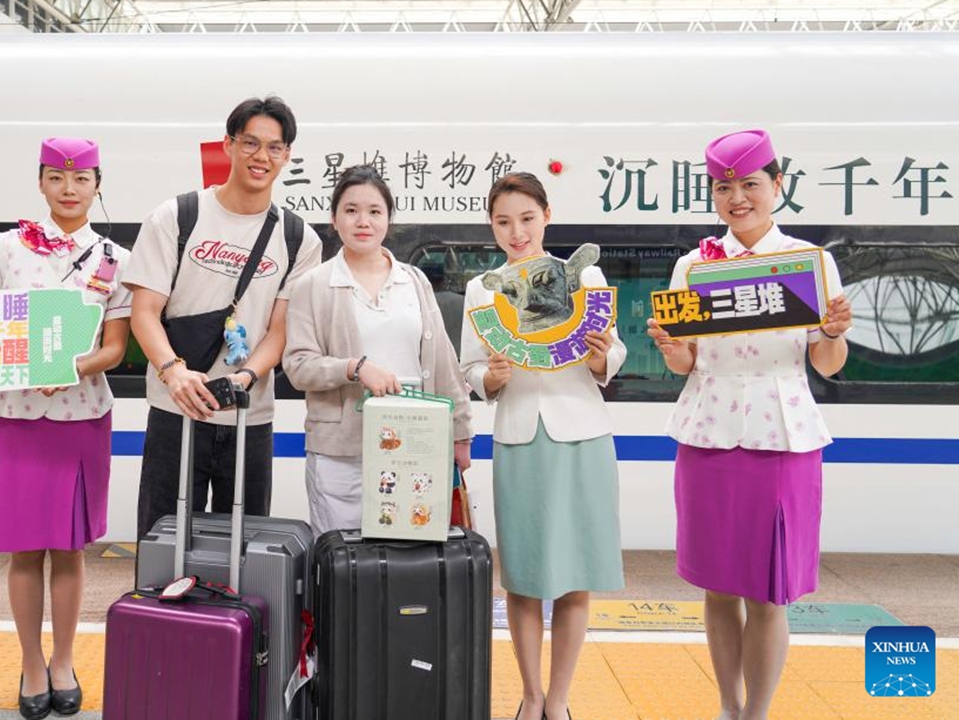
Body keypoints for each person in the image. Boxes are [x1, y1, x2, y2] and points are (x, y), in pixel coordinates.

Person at [646, 129, 852, 720]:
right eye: (724, 187)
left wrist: (834, 331)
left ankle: (757, 713)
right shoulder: (694, 265)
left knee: (769, 590)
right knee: (716, 587)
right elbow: (688, 364)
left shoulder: (811, 264)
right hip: (708, 433)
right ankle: (728, 706)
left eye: (750, 185)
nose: (738, 198)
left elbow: (826, 363)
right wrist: (668, 346)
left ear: (777, 186)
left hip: (781, 437)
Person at [0, 137, 132, 720]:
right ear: (40, 182)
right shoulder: (5, 248)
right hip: (14, 414)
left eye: (81, 179)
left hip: (80, 414)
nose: (69, 189)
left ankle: (63, 661)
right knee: (22, 550)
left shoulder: (114, 256)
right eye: (57, 179)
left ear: (96, 185)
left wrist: (68, 368)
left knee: (68, 548)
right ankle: (31, 664)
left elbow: (115, 349)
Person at [460, 172, 626, 720]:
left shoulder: (586, 275)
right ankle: (530, 699)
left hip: (583, 433)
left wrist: (602, 354)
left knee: (576, 577)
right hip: (519, 436)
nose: (517, 232)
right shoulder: (483, 289)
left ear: (547, 216)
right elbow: (469, 370)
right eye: (504, 221)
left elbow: (612, 356)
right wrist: (491, 377)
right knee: (525, 579)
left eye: (527, 219)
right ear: (492, 225)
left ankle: (559, 701)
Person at [125, 96, 322, 540]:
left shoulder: (299, 238)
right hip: (174, 410)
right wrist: (174, 373)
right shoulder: (176, 216)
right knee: (163, 542)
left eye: (274, 147)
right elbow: (144, 313)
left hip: (248, 417)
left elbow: (280, 330)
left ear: (287, 155)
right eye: (250, 142)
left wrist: (247, 377)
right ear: (228, 145)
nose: (261, 156)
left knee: (245, 550)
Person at [283, 164, 473, 535]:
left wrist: (460, 433)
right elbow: (297, 365)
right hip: (342, 452)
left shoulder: (413, 280)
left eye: (374, 211)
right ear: (334, 219)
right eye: (351, 210)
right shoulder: (313, 285)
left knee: (409, 552)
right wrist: (353, 368)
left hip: (416, 444)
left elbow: (444, 363)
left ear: (388, 219)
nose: (362, 221)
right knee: (345, 560)